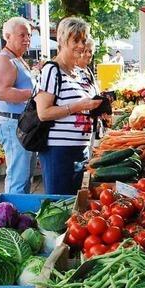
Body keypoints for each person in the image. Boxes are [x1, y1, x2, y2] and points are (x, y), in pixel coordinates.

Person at [34, 17, 102, 195]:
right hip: (59, 152)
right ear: (62, 41)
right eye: (76, 40)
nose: (81, 45)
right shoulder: (52, 70)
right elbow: (43, 112)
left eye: (84, 40)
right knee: (60, 202)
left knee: (76, 202)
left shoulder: (80, 73)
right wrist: (78, 106)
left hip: (81, 150)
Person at [0, 17, 35, 194]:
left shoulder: (17, 58)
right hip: (12, 124)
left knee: (24, 175)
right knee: (18, 177)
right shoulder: (4, 60)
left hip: (21, 123)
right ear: (7, 36)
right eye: (22, 35)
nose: (27, 39)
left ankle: (20, 213)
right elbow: (3, 92)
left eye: (29, 35)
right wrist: (35, 94)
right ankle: (11, 216)